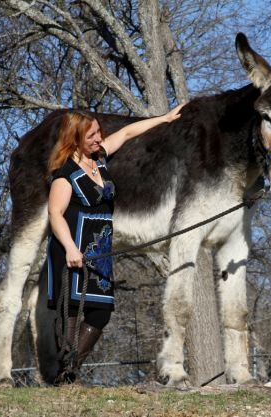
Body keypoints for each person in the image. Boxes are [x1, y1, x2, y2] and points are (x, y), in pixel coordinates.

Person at [42, 104, 185, 385]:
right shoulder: (65, 174)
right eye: (91, 136)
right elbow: (54, 214)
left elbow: (129, 131)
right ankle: (65, 377)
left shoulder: (100, 159)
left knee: (100, 312)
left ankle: (69, 370)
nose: (98, 138)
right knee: (69, 311)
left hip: (100, 251)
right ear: (75, 139)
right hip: (71, 250)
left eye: (98, 132)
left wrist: (165, 118)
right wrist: (71, 248)